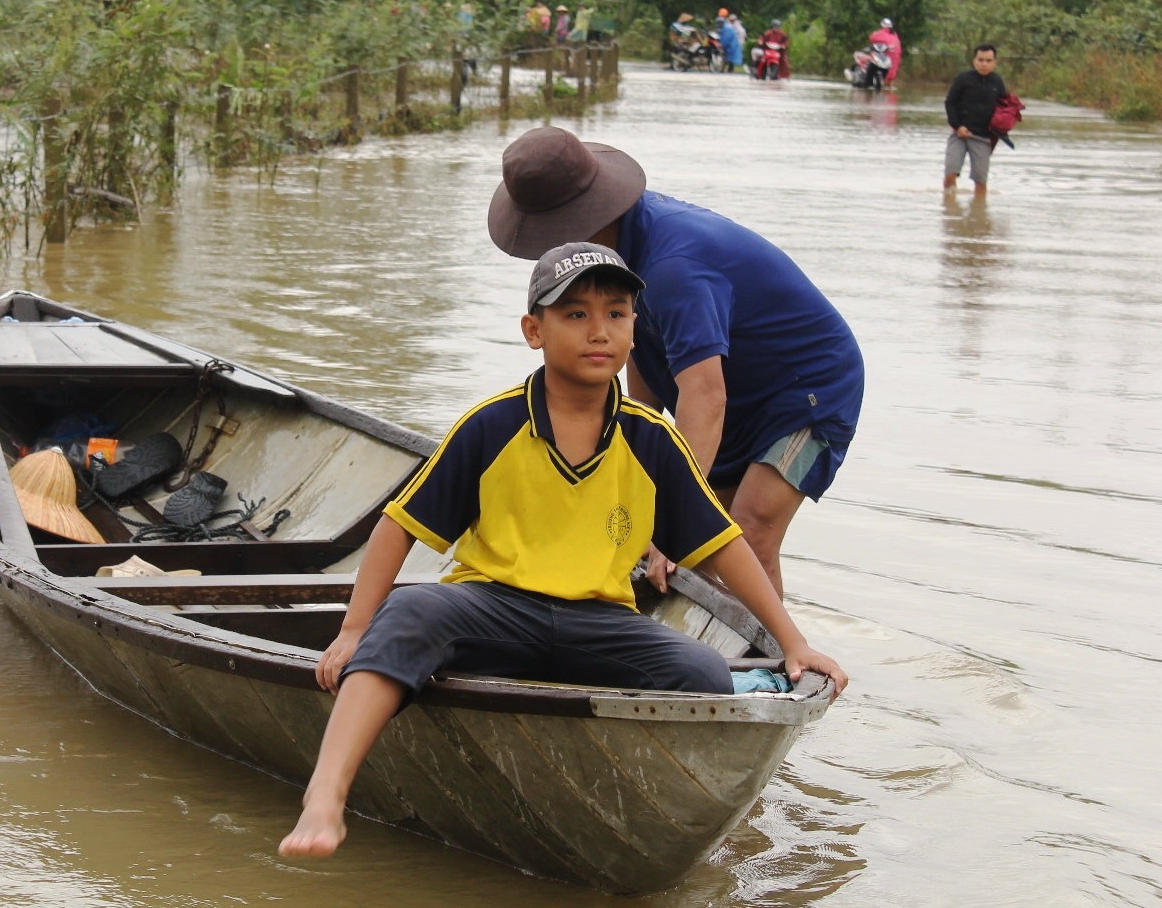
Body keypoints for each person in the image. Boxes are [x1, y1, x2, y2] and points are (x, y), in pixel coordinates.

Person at [277, 243, 849, 859]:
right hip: (494, 607)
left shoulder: (650, 438)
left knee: (705, 674)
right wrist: (354, 628)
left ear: (635, 328)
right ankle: (325, 798)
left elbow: (725, 545)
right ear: (534, 331)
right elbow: (399, 525)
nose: (598, 331)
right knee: (410, 616)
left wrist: (791, 642)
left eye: (617, 313)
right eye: (574, 315)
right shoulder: (492, 425)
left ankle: (642, 820)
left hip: (599, 621)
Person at [488, 127, 864, 597]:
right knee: (695, 547)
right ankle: (696, 655)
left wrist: (670, 518)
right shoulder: (618, 259)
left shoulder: (674, 268)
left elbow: (705, 395)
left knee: (745, 533)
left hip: (805, 390)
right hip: (730, 387)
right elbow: (643, 358)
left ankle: (773, 662)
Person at [944, 43, 1007, 197]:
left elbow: (1005, 108)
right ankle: (949, 207)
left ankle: (979, 210)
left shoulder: (997, 82)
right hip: (959, 134)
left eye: (988, 60)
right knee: (950, 173)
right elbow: (950, 103)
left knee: (980, 181)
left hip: (983, 138)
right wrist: (958, 126)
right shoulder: (963, 79)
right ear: (974, 61)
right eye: (981, 60)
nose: (984, 64)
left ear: (994, 62)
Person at [869, 17, 902, 87]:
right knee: (891, 76)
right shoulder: (895, 35)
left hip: (886, 56)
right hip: (896, 58)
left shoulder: (881, 33)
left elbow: (872, 38)